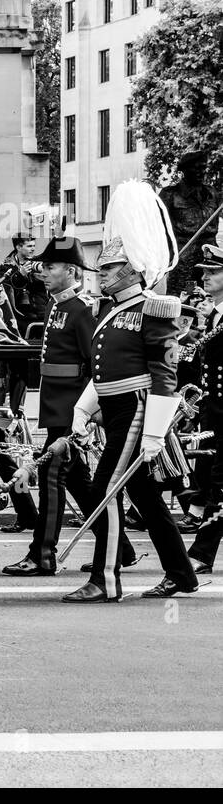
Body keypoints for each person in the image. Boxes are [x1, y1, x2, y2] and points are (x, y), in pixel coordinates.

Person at [62, 181, 199, 603]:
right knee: (141, 493)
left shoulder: (154, 309)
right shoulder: (110, 309)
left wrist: (155, 433)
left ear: (131, 270)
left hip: (139, 410)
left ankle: (105, 580)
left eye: (107, 269)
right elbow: (104, 370)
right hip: (115, 407)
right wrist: (83, 411)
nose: (100, 274)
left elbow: (164, 375)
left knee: (105, 489)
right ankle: (181, 573)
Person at [2, 235, 137, 577]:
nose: (43, 273)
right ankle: (119, 548)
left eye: (50, 267)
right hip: (56, 406)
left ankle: (42, 554)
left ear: (72, 271)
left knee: (50, 477)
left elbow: (96, 366)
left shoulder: (83, 310)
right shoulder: (57, 304)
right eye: (43, 266)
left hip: (72, 410)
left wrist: (87, 413)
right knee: (80, 483)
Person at [184, 245, 223, 574]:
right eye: (205, 272)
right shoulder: (214, 314)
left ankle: (202, 552)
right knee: (212, 478)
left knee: (220, 483)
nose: (205, 277)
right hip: (214, 411)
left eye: (213, 272)